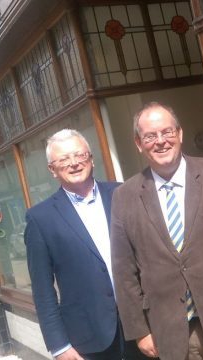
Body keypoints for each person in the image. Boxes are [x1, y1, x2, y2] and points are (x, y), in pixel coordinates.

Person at [111, 102, 203, 360]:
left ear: (179, 134)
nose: (160, 141)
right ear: (139, 143)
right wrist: (139, 330)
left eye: (167, 132)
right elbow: (124, 271)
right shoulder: (124, 196)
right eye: (150, 136)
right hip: (171, 335)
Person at [24, 129, 145, 360]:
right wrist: (59, 346)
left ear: (90, 158)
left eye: (79, 155)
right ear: (52, 170)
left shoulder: (122, 193)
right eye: (64, 159)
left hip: (141, 326)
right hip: (88, 340)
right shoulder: (41, 218)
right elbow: (42, 290)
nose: (74, 164)